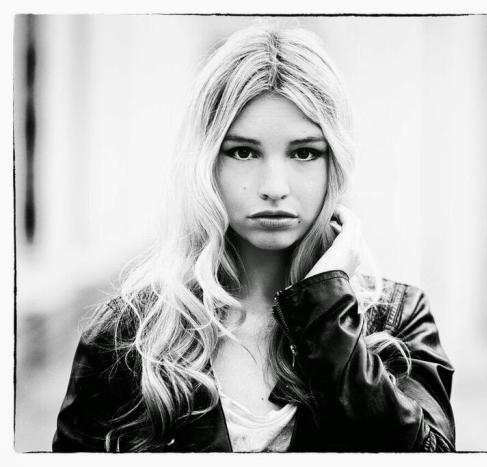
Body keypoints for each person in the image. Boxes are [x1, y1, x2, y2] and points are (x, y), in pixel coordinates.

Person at [52, 23, 455, 453]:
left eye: (304, 152)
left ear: (334, 164)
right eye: (243, 152)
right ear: (207, 163)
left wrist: (326, 312)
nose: (274, 187)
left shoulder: (395, 320)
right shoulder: (128, 335)